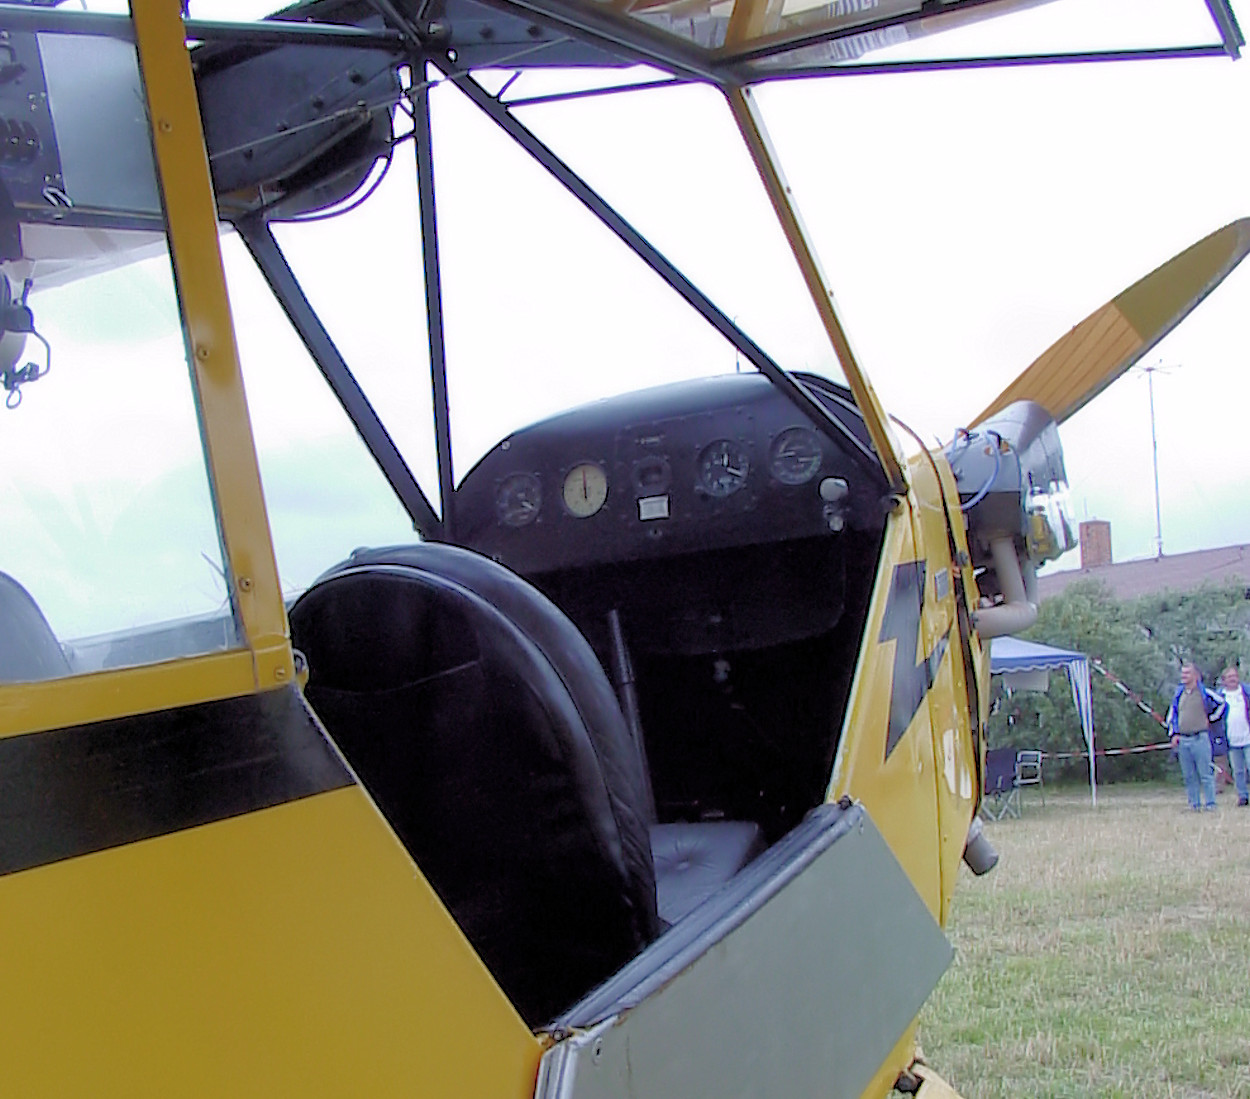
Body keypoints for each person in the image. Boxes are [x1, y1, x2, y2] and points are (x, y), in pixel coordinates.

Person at [1167, 662, 1226, 812]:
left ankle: (1211, 804)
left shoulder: (1204, 692)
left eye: (1187, 673)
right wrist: (1174, 733)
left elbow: (1222, 704)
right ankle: (1194, 804)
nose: (1183, 676)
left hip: (1200, 738)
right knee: (1189, 775)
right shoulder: (1179, 694)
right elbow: (1172, 714)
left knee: (1205, 773)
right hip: (1183, 740)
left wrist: (1211, 719)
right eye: (1182, 673)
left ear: (1195, 676)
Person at [1219, 666, 1250, 807]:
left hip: (1248, 737)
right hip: (1231, 740)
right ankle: (1243, 796)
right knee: (1238, 771)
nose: (1232, 679)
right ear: (1224, 680)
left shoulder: (1246, 692)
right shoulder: (1220, 696)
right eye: (1229, 677)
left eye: (1234, 676)